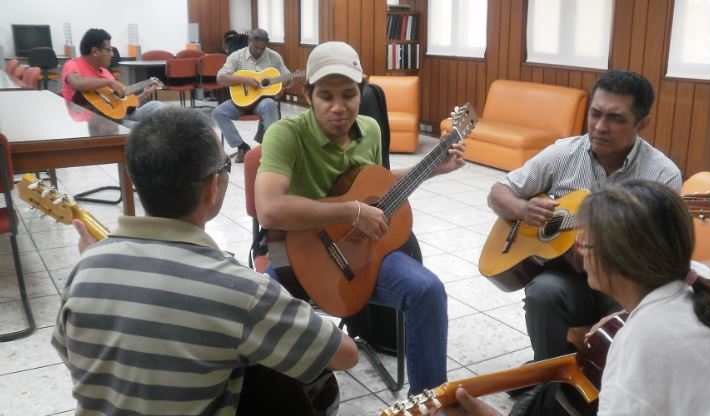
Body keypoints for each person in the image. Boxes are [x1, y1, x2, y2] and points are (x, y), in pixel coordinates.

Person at [52, 107, 358, 415]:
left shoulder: (86, 267)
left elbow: (72, 354)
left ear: (137, 180)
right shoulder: (241, 291)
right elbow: (345, 356)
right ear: (212, 186)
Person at [447, 180, 710, 416]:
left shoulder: (641, 341)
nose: (577, 247)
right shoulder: (706, 280)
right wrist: (624, 314)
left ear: (621, 260)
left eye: (587, 242)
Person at [254, 41, 466, 395]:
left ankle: (428, 403)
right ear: (307, 96)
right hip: (296, 255)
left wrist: (429, 169)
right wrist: (351, 211)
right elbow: (270, 209)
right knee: (258, 309)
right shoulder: (284, 135)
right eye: (326, 96)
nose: (339, 107)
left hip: (358, 256)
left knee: (428, 291)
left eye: (349, 95)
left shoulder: (370, 129)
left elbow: (376, 188)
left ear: (362, 91)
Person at [487, 70, 683, 369]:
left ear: (642, 123)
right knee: (543, 291)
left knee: (643, 313)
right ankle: (544, 379)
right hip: (570, 280)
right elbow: (499, 191)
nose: (600, 127)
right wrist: (521, 210)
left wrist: (604, 252)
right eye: (595, 114)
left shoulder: (661, 175)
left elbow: (663, 255)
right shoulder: (564, 153)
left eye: (615, 118)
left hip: (625, 285)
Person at [213, 29, 289, 163]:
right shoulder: (236, 56)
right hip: (241, 101)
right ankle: (242, 147)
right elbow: (221, 78)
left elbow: (286, 77)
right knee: (218, 113)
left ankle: (271, 148)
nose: (259, 51)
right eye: (256, 47)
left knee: (270, 104)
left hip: (262, 102)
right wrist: (244, 79)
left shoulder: (274, 57)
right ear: (249, 41)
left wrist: (283, 86)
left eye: (262, 48)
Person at [61, 28, 163, 128]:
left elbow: (119, 105)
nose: (112, 54)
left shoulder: (105, 72)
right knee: (144, 128)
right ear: (95, 51)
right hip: (97, 123)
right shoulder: (73, 65)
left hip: (118, 117)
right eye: (109, 50)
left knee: (156, 106)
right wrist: (109, 82)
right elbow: (76, 83)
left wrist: (144, 94)